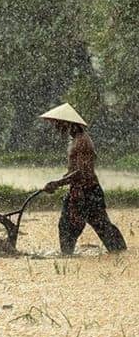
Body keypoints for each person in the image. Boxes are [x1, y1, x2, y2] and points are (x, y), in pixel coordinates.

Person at [40, 103, 126, 254]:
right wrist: (59, 181)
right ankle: (120, 253)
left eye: (58, 123)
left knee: (68, 226)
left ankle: (66, 258)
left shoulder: (82, 142)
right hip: (84, 192)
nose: (56, 127)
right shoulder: (75, 141)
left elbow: (82, 172)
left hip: (86, 193)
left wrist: (58, 183)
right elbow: (73, 171)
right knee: (102, 226)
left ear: (67, 123)